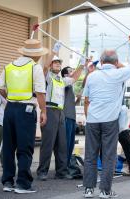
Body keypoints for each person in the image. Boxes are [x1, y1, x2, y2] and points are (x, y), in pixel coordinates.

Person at [82, 35, 130, 198]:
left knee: (90, 155)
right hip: (109, 121)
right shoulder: (119, 74)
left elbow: (86, 99)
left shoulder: (91, 76)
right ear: (116, 62)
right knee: (108, 156)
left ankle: (88, 189)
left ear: (100, 61)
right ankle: (105, 191)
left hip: (92, 120)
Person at [0, 39, 47, 194]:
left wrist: (10, 98)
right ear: (36, 55)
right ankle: (23, 184)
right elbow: (40, 93)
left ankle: (7, 182)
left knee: (9, 146)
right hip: (26, 109)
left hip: (10, 109)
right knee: (25, 148)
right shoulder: (35, 68)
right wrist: (44, 111)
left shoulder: (9, 66)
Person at [37, 42, 87, 181]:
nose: (58, 64)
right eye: (55, 62)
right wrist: (53, 51)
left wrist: (82, 64)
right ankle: (42, 171)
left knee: (62, 145)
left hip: (60, 113)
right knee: (48, 143)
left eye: (59, 62)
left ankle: (61, 171)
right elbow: (45, 67)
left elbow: (75, 78)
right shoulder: (47, 77)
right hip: (49, 110)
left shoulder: (61, 79)